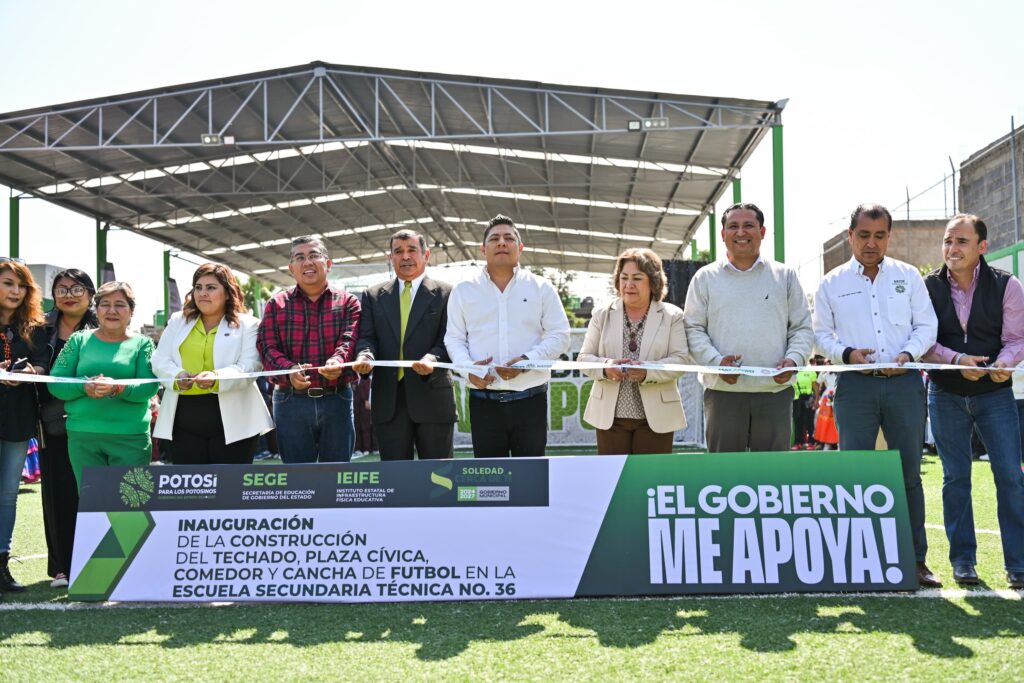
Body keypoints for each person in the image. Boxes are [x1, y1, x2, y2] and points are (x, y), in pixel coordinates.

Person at [813, 203, 940, 587]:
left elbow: (927, 325)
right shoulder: (831, 283)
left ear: (889, 236)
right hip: (855, 386)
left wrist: (908, 355)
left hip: (904, 384)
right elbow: (822, 334)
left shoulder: (908, 277)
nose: (871, 243)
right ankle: (854, 560)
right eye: (864, 235)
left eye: (879, 235)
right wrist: (848, 355)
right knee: (855, 474)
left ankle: (917, 561)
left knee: (909, 475)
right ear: (850, 235)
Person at [919, 214, 1024, 589]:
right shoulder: (926, 286)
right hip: (944, 392)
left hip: (995, 394)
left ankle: (1019, 565)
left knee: (1010, 476)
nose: (952, 248)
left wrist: (1005, 364)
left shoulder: (1007, 286)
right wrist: (957, 361)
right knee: (955, 478)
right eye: (948, 241)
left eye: (961, 241)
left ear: (981, 247)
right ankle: (963, 561)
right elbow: (922, 342)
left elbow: (1016, 339)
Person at [683, 202, 813, 452]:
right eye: (733, 226)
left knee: (773, 477)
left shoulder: (785, 276)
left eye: (748, 225)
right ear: (723, 234)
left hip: (775, 391)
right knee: (724, 476)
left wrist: (794, 360)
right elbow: (693, 329)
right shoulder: (704, 278)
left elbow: (802, 328)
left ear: (762, 232)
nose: (740, 232)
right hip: (723, 393)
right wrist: (716, 362)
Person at [445, 214, 571, 458]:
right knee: (491, 483)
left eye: (508, 238)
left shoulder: (541, 287)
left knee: (532, 481)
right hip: (483, 402)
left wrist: (527, 361)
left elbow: (560, 334)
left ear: (520, 248)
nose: (501, 242)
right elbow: (454, 339)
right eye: (494, 238)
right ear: (483, 249)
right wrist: (468, 368)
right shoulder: (463, 290)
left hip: (531, 399)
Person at [152, 263, 273, 465]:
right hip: (182, 421)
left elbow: (250, 366)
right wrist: (177, 375)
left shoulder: (249, 324)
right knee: (191, 492)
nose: (203, 293)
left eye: (211, 287)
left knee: (230, 491)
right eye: (198, 287)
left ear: (227, 293)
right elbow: (159, 359)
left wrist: (217, 378)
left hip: (237, 424)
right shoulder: (177, 320)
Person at [353, 230, 456, 460]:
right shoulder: (372, 295)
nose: (405, 256)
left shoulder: (448, 293)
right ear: (391, 257)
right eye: (398, 251)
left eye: (412, 250)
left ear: (426, 255)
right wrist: (365, 357)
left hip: (433, 399)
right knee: (395, 481)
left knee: (439, 483)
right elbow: (367, 338)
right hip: (388, 402)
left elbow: (450, 340)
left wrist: (432, 359)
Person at [257, 236, 361, 463]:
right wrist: (289, 370)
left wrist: (338, 362)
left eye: (314, 255)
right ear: (291, 268)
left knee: (337, 477)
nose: (307, 262)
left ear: (328, 263)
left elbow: (350, 339)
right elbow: (266, 347)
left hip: (337, 399)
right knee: (297, 482)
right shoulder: (276, 304)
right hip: (289, 401)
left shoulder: (348, 302)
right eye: (300, 257)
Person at [49, 281, 159, 488]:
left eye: (120, 304)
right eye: (105, 304)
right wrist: (85, 386)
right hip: (83, 435)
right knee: (92, 507)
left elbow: (148, 388)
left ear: (131, 311)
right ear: (96, 310)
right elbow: (56, 383)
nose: (112, 311)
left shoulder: (144, 344)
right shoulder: (77, 340)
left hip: (131, 437)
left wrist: (117, 388)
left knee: (132, 509)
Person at [578, 248, 687, 454]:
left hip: (657, 418)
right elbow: (584, 358)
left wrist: (648, 371)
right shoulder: (601, 314)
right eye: (624, 277)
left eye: (637, 278)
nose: (628, 285)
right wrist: (605, 367)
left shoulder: (673, 315)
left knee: (652, 483)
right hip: (610, 419)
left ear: (653, 282)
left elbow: (680, 360)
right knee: (614, 483)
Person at [37, 268, 98, 588]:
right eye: (62, 289)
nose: (69, 294)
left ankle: (103, 563)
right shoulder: (39, 328)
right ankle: (62, 566)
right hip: (54, 424)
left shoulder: (104, 324)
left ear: (90, 293)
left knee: (96, 491)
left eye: (76, 288)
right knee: (58, 493)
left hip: (99, 422)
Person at [0, 258, 47, 593]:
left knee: (7, 496)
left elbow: (45, 363)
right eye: (7, 283)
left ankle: (1, 565)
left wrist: (31, 372)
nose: (15, 291)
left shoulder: (34, 326)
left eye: (21, 285)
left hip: (17, 419)